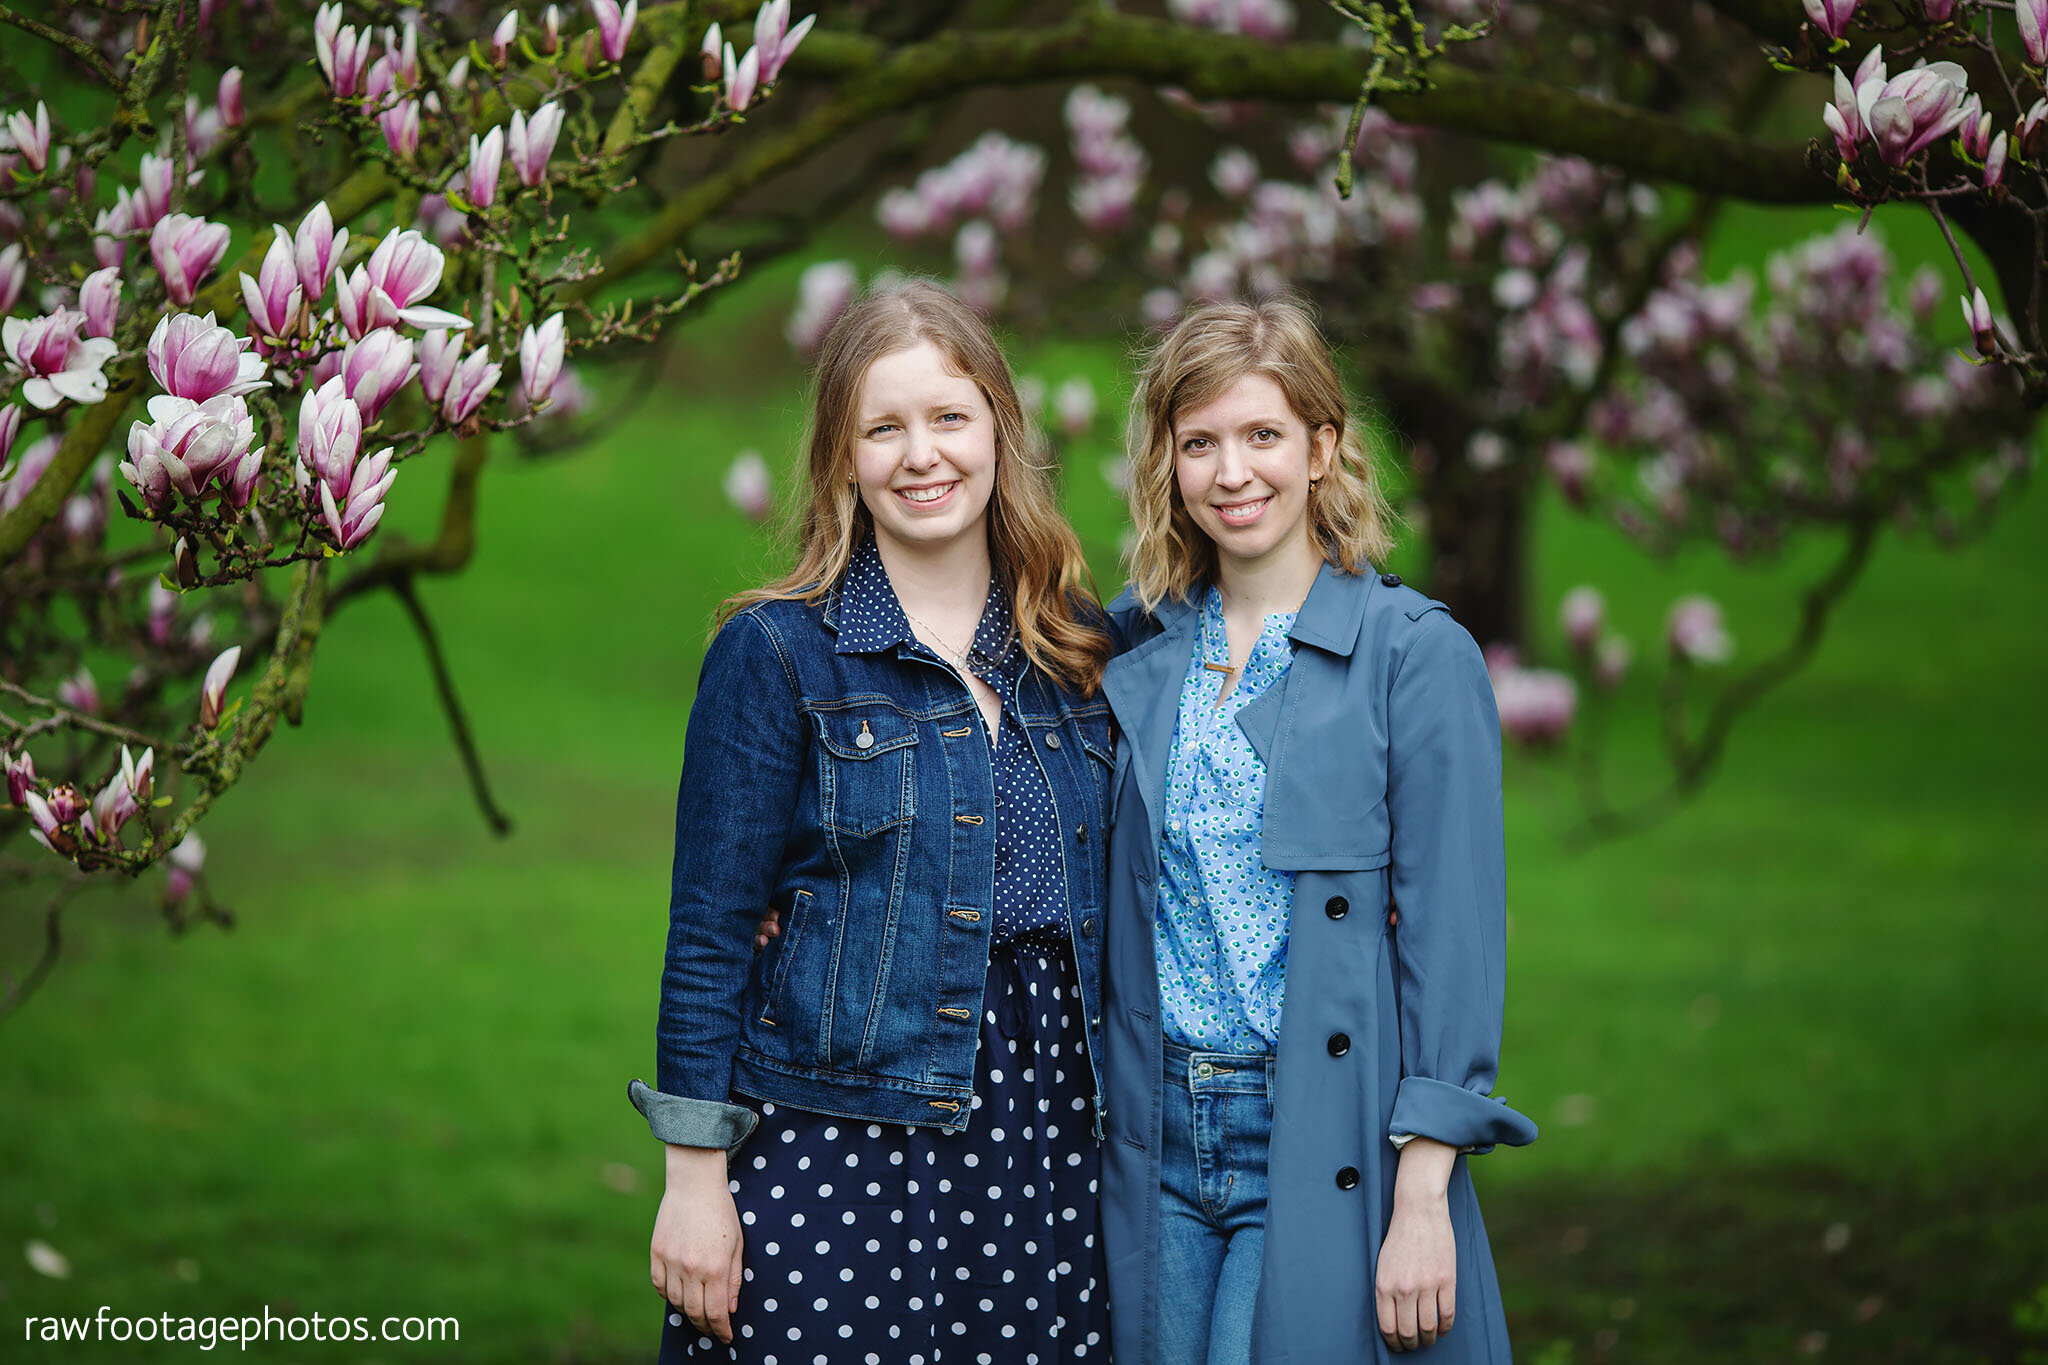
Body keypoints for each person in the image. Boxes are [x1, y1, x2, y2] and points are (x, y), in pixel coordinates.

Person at [630, 281, 1116, 1363]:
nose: (920, 454)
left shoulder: (1080, 651)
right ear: (841, 458)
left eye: (947, 417)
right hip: (837, 1141)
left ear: (999, 428)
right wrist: (692, 1181)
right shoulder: (774, 656)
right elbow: (709, 934)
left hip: (1049, 1142)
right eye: (881, 428)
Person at [1096, 296, 1538, 1363]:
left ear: (1321, 448)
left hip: (1315, 1126)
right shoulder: (1125, 647)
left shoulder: (1412, 656)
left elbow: (1453, 942)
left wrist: (1421, 1194)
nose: (1230, 472)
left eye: (1261, 436)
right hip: (1150, 1130)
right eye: (1198, 442)